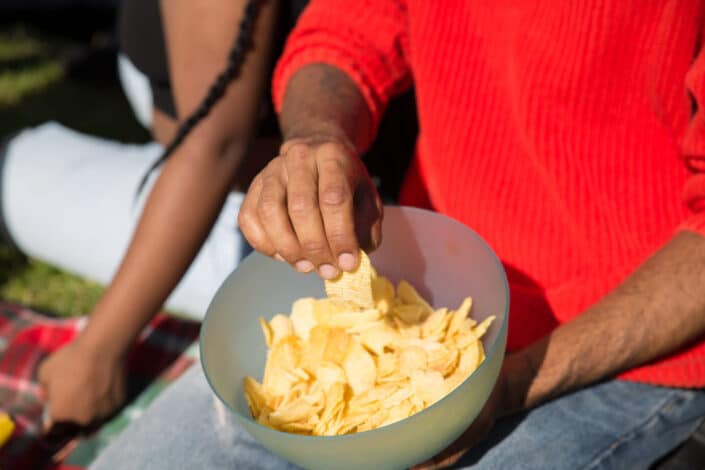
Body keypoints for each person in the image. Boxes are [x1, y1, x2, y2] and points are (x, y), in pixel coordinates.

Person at [88, 1, 705, 469]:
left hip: (633, 352)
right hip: (426, 287)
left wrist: (508, 384)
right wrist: (318, 136)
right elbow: (344, 31)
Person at [12, 0, 291, 429]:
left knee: (13, 174)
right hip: (205, 169)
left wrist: (97, 351)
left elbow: (214, 146)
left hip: (253, 218)